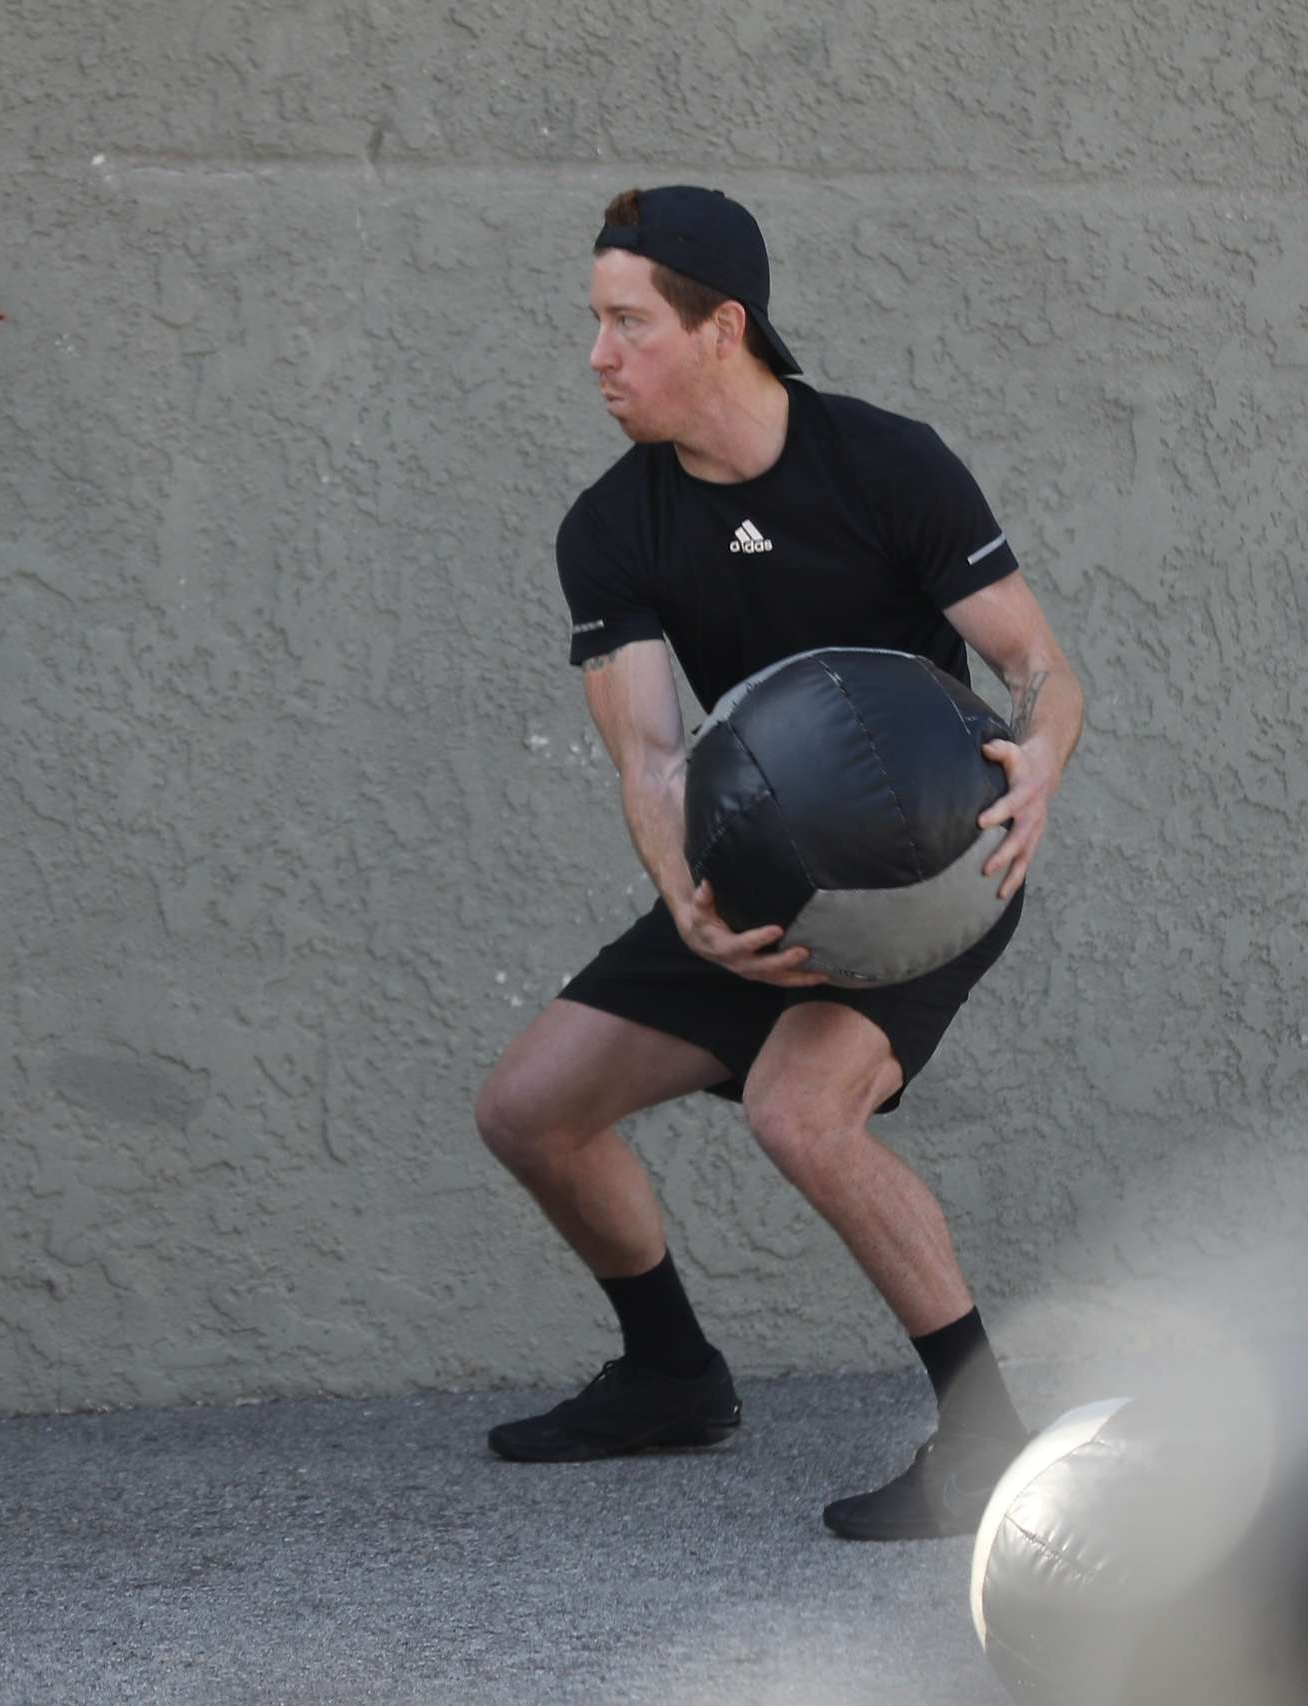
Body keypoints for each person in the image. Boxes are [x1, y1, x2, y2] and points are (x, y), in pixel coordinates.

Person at [476, 187, 1086, 1540]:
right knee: (529, 1110)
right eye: (595, 321)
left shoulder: (885, 464)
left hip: (929, 870)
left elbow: (1038, 665)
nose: (598, 355)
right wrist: (687, 904)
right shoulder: (612, 528)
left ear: (724, 327)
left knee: (799, 1112)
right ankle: (670, 1375)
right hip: (751, 874)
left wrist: (1042, 754)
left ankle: (987, 1441)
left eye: (629, 323)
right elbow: (650, 755)